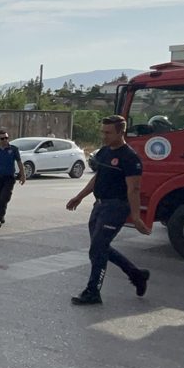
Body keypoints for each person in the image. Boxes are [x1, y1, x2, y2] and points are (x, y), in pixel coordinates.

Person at [65, 115, 152, 305]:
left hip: (116, 207)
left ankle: (92, 291)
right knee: (100, 248)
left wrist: (136, 217)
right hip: (100, 205)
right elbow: (97, 178)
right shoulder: (104, 152)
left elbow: (134, 188)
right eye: (102, 132)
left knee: (97, 249)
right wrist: (79, 196)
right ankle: (137, 274)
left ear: (121, 132)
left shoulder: (130, 158)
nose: (103, 136)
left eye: (108, 133)